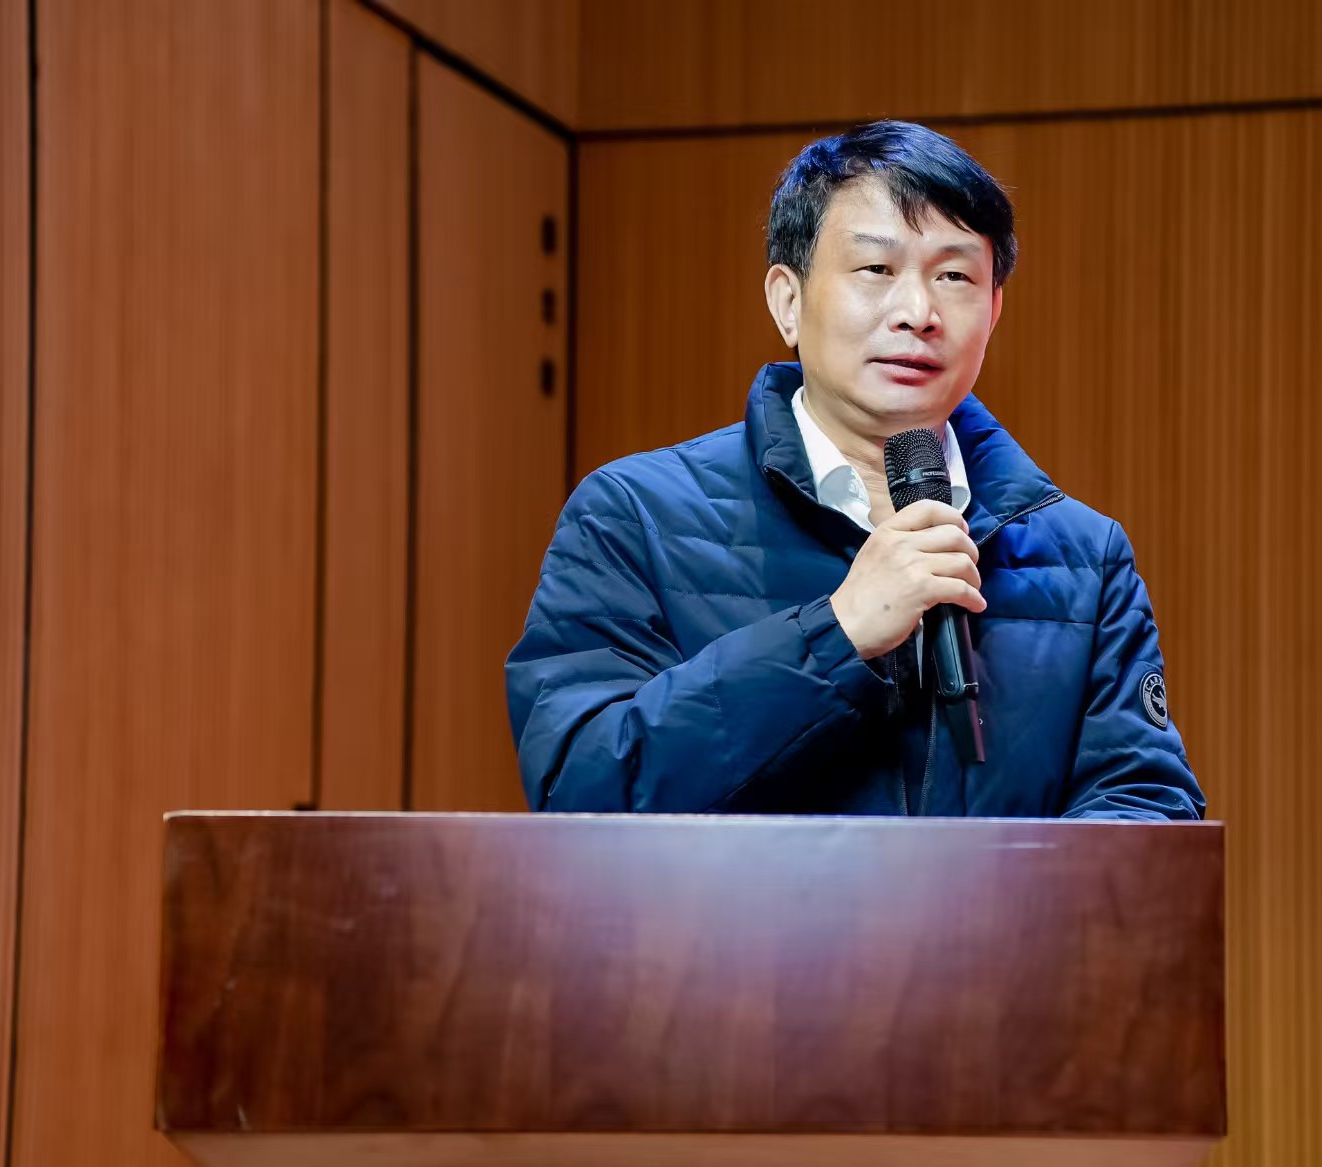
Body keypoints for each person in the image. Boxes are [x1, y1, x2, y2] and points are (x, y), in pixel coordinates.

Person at [506, 120, 1204, 820]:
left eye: (954, 276)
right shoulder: (632, 516)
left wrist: (995, 891)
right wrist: (835, 635)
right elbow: (581, 786)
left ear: (993, 310)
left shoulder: (1084, 557)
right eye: (876, 270)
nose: (918, 313)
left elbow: (1146, 807)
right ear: (788, 300)